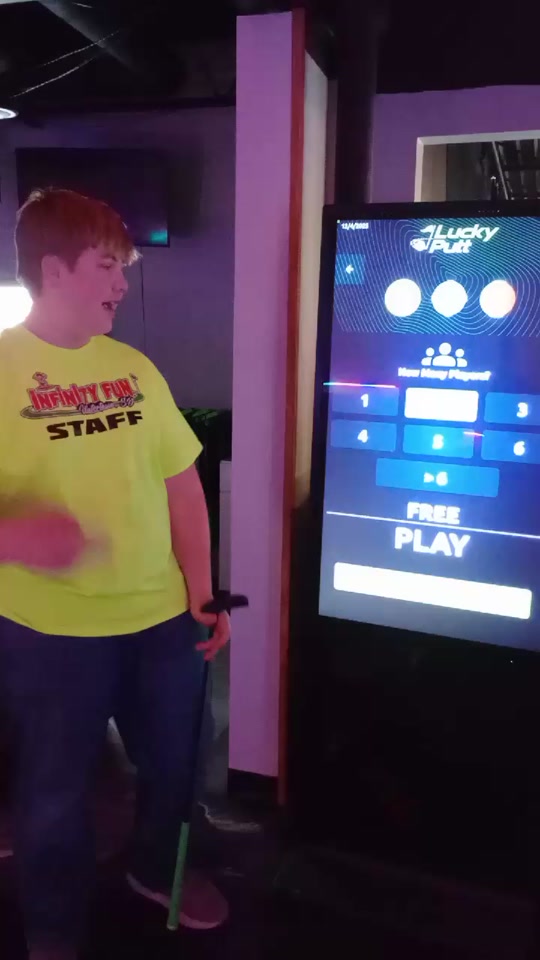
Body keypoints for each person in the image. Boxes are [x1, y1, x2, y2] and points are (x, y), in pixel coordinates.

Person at [0, 188, 231, 960]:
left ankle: (156, 873)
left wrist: (202, 590)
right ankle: (53, 929)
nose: (121, 284)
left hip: (161, 619)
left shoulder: (133, 368)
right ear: (53, 270)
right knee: (54, 791)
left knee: (176, 767)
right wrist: (14, 534)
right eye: (107, 266)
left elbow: (182, 485)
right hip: (50, 633)